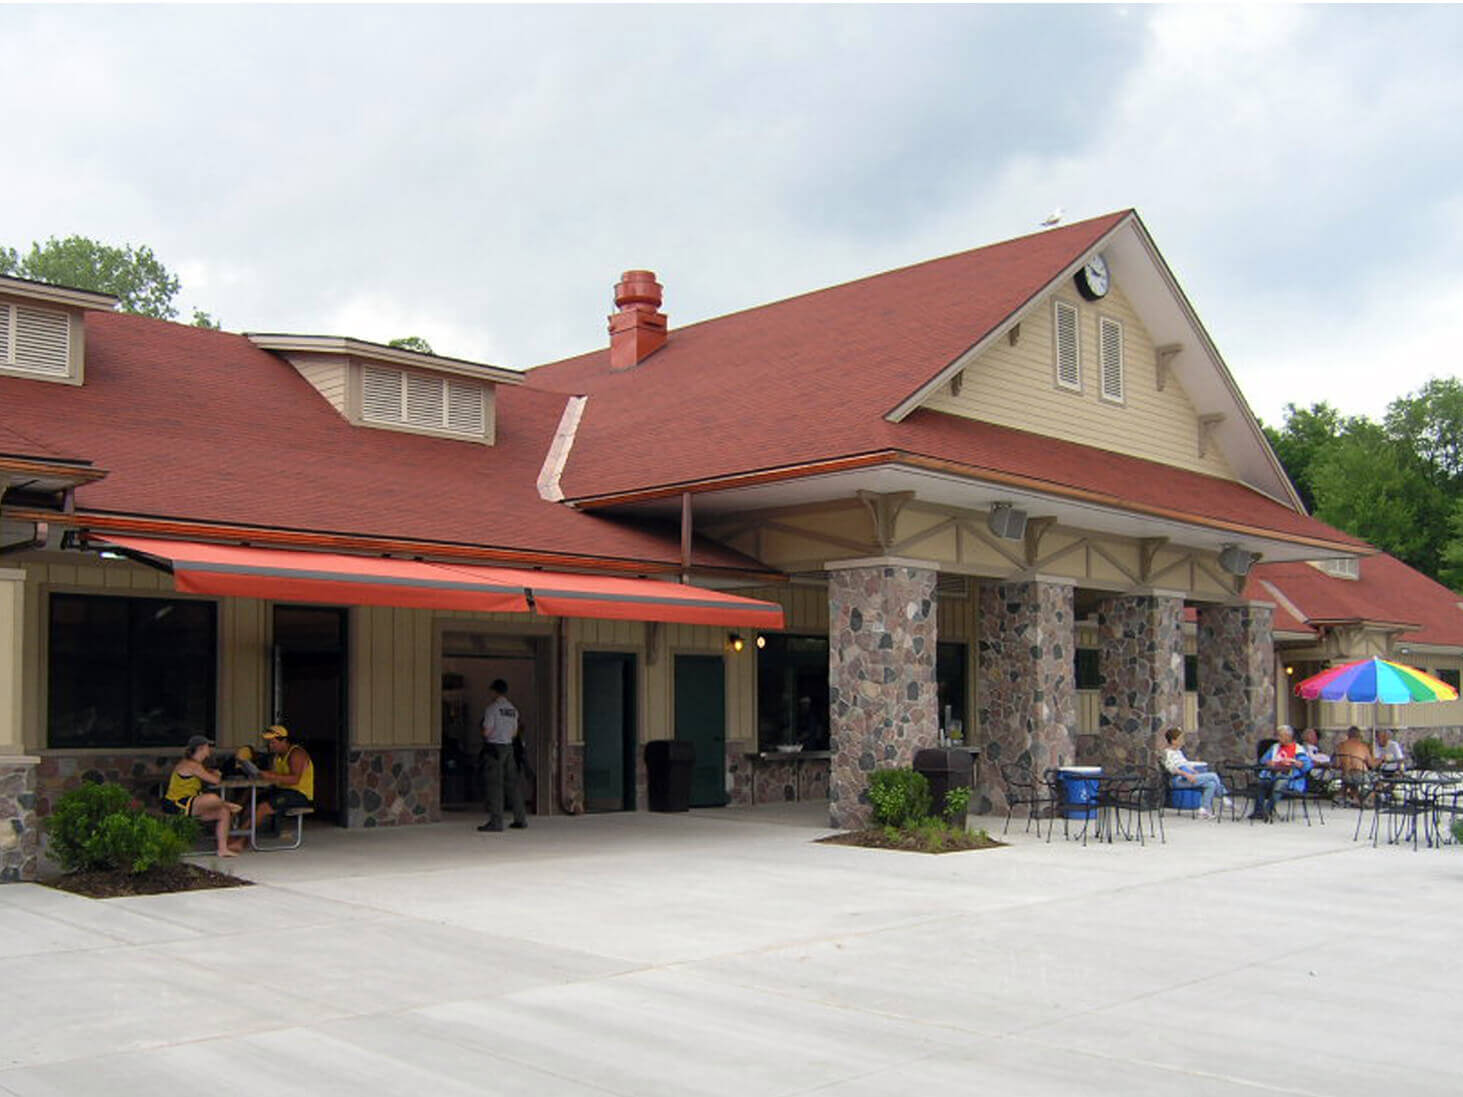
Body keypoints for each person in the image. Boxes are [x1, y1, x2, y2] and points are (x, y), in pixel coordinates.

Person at [161, 735, 244, 857]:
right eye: (208, 747)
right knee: (212, 798)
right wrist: (218, 773)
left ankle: (222, 849)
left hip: (188, 802)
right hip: (176, 803)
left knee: (223, 812)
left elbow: (204, 774)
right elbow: (215, 781)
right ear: (201, 748)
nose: (210, 749)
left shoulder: (194, 764)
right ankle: (227, 803)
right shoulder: (192, 765)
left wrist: (211, 772)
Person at [478, 678, 527, 832]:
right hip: (509, 748)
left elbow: (486, 731)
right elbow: (514, 732)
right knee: (513, 785)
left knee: (495, 785)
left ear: (494, 691)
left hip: (494, 749)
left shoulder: (492, 709)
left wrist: (485, 733)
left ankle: (496, 822)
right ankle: (520, 819)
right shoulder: (513, 710)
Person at [252, 724, 314, 829]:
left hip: (299, 795)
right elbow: (276, 774)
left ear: (284, 741)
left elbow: (294, 779)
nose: (270, 746)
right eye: (269, 743)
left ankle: (243, 840)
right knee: (252, 800)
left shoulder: (296, 754)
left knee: (263, 807)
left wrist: (271, 776)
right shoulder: (277, 757)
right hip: (283, 791)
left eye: (273, 743)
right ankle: (237, 834)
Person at [1161, 727, 1231, 819]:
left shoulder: (1178, 752)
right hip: (1178, 779)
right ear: (1173, 741)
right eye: (1180, 739)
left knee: (1211, 784)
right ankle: (1223, 796)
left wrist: (1193, 771)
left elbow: (1185, 763)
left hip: (1188, 775)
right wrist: (1187, 774)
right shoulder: (1167, 753)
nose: (1182, 741)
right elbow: (1172, 768)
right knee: (1213, 775)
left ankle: (1204, 810)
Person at [1254, 725, 1312, 821]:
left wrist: (1295, 762)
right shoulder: (1275, 747)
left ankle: (1268, 810)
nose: (1278, 738)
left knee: (1280, 783)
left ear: (1288, 736)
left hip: (1289, 778)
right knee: (1261, 783)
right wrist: (1269, 762)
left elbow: (1306, 765)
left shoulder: (1298, 749)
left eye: (1280, 736)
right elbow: (1263, 760)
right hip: (1272, 775)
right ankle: (1258, 811)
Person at [1333, 726, 1376, 807]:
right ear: (1359, 736)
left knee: (1351, 783)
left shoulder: (1340, 746)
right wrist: (1382, 758)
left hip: (1345, 776)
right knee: (1378, 780)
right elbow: (1372, 764)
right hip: (1360, 776)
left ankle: (1353, 799)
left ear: (1348, 735)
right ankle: (1368, 799)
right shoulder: (1362, 746)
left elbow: (1337, 764)